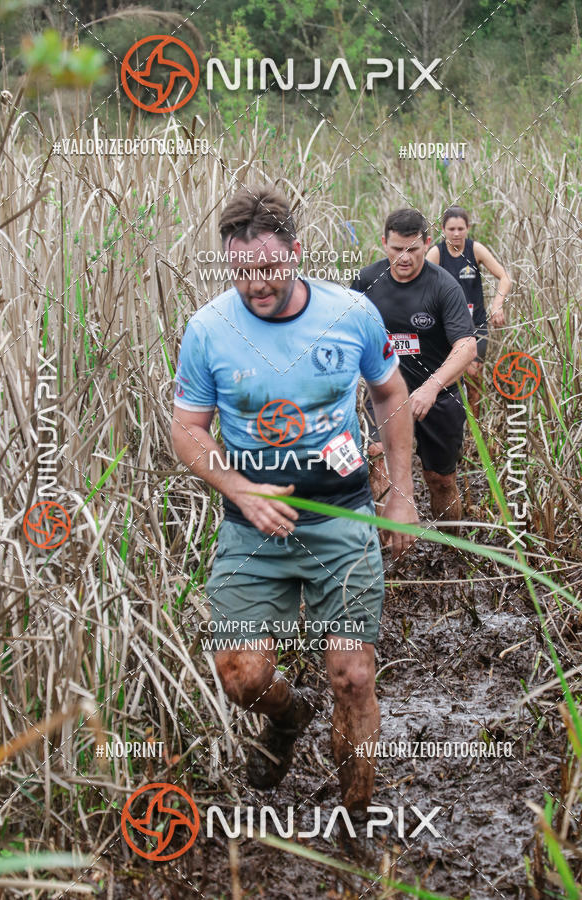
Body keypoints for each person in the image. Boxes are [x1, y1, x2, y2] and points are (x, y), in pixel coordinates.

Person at [171, 185, 418, 818]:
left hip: (342, 513)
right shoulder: (209, 330)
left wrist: (401, 494)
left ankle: (357, 818)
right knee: (241, 676)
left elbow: (390, 395)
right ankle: (287, 716)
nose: (257, 283)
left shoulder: (351, 313)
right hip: (252, 526)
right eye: (243, 270)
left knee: (353, 677)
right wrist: (240, 489)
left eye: (270, 268)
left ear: (297, 254)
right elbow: (187, 429)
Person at [351, 208, 477, 525]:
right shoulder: (367, 280)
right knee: (378, 465)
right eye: (396, 249)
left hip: (438, 396)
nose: (404, 258)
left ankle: (453, 555)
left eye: (413, 250)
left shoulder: (443, 286)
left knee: (440, 481)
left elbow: (467, 346)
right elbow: (344, 333)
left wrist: (431, 387)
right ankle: (389, 565)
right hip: (382, 395)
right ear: (383, 243)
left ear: (427, 243)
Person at [426, 206, 512, 420]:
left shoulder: (475, 250)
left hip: (476, 326)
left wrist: (497, 305)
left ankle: (475, 432)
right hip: (446, 328)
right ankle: (451, 425)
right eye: (451, 229)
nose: (456, 233)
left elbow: (505, 278)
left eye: (460, 229)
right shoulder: (437, 253)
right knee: (448, 380)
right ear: (442, 229)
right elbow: (421, 285)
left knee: (474, 377)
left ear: (468, 228)